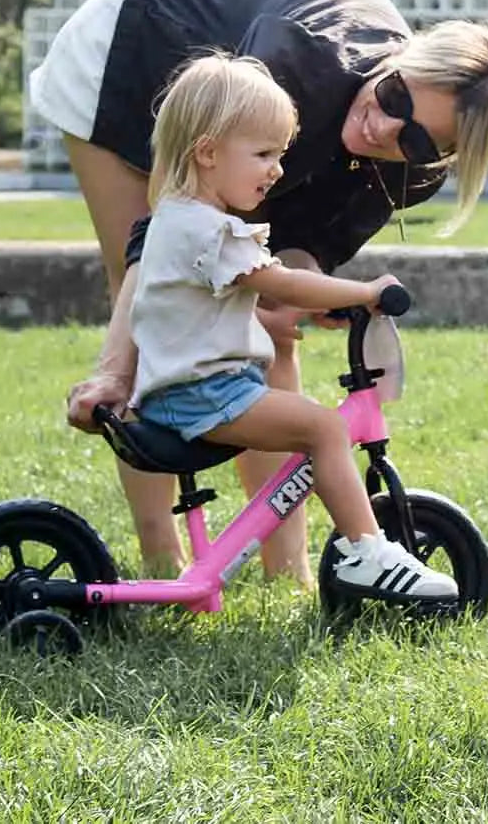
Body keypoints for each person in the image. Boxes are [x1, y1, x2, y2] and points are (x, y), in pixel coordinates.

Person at [31, 0, 488, 580]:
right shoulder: (297, 59)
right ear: (396, 62)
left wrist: (302, 295)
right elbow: (158, 251)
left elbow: (295, 258)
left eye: (419, 139)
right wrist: (110, 370)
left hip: (234, 110)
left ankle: (281, 572)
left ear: (442, 157)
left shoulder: (406, 172)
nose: (386, 127)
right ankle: (161, 563)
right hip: (133, 45)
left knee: (273, 329)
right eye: (394, 93)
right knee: (154, 306)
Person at [128, 51, 457, 602]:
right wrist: (365, 291)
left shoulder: (181, 217)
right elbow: (283, 284)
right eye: (262, 154)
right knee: (326, 429)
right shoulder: (210, 230)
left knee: (310, 425)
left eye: (280, 154)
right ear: (207, 152)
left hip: (186, 389)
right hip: (202, 393)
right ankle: (367, 552)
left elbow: (240, 298)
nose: (278, 170)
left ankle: (333, 552)